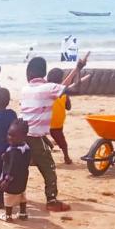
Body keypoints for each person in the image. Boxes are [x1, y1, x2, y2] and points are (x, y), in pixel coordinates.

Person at [21, 56, 88, 211]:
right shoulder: (48, 88)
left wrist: (76, 69)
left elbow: (59, 88)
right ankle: (51, 200)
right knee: (49, 169)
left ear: (29, 74)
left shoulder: (26, 89)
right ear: (43, 73)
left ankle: (15, 194)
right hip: (36, 138)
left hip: (23, 136)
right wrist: (78, 70)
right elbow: (72, 89)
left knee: (21, 166)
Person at [0, 119, 32, 222]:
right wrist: (6, 157)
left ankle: (8, 216)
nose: (10, 138)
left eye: (13, 136)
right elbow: (27, 161)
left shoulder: (14, 151)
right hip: (23, 178)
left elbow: (12, 168)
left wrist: (6, 181)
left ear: (23, 136)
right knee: (22, 196)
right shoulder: (26, 147)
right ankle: (22, 213)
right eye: (9, 134)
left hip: (12, 181)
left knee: (9, 197)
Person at [47, 68, 73, 164]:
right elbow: (68, 107)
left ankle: (48, 145)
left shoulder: (46, 91)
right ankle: (66, 157)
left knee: (40, 137)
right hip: (56, 123)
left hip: (45, 121)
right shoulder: (63, 92)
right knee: (62, 141)